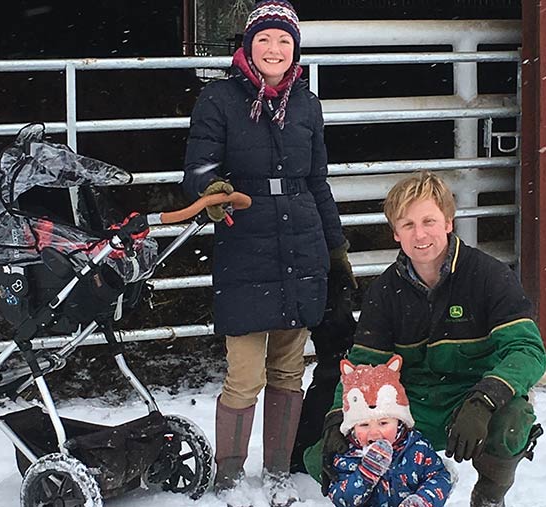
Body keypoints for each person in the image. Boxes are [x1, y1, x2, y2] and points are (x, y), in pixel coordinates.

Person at [181, 1, 354, 506]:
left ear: (294, 48)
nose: (274, 49)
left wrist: (336, 249)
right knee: (244, 375)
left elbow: (317, 181)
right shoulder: (218, 99)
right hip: (245, 240)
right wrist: (211, 191)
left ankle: (278, 473)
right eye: (264, 40)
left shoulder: (307, 104)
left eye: (283, 40)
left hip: (302, 245)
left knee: (287, 369)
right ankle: (229, 478)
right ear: (248, 46)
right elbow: (197, 165)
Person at [305, 171, 546, 507]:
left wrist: (484, 399)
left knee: (512, 424)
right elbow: (362, 369)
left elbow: (528, 351)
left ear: (448, 222)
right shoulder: (385, 291)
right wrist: (337, 417)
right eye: (407, 225)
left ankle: (489, 497)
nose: (420, 235)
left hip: (473, 400)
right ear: (395, 232)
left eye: (429, 221)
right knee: (321, 456)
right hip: (410, 404)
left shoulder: (489, 276)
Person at [327, 354, 453, 507]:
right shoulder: (347, 455)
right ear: (352, 427)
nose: (374, 433)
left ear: (399, 421)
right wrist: (365, 475)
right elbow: (339, 497)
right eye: (364, 425)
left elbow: (440, 477)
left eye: (383, 423)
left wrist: (422, 500)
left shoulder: (416, 448)